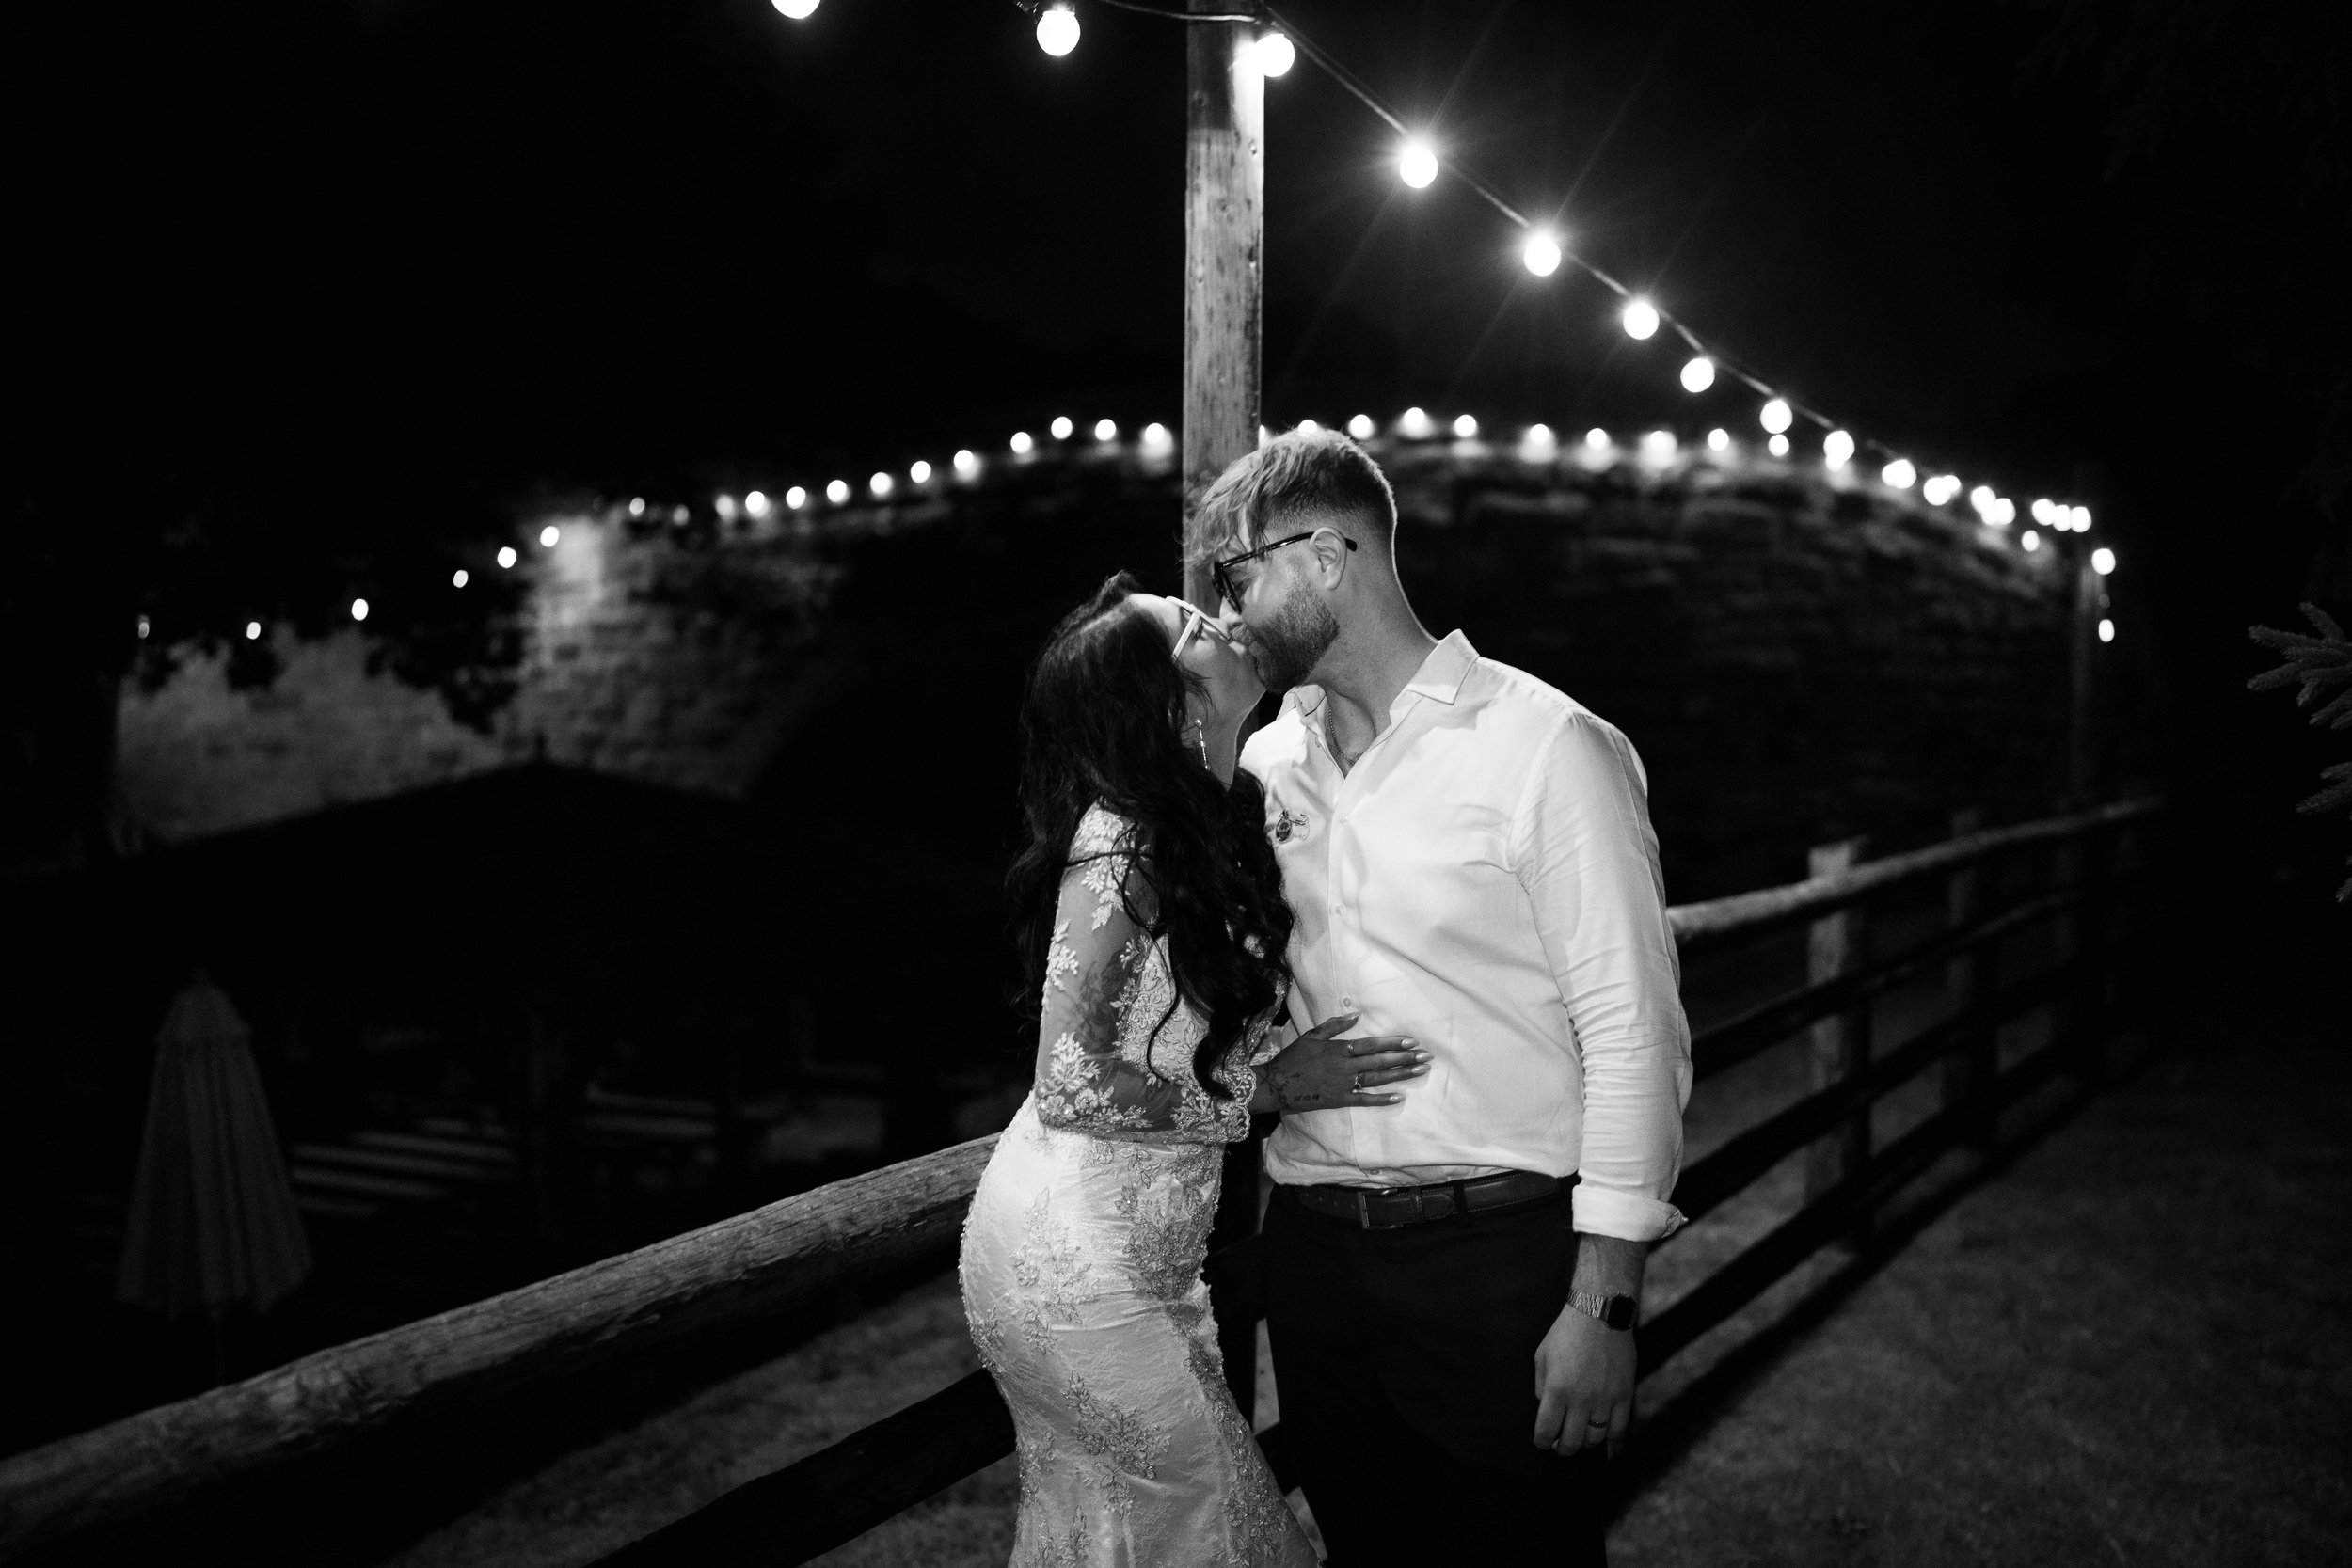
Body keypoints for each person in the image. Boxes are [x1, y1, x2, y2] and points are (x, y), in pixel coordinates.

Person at [1200, 430, 1693, 1567]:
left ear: (1327, 554)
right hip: (1316, 1259)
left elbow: (1633, 1025)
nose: (1228, 611)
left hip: (1499, 1263)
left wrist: (1604, 1302)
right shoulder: (1267, 764)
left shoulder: (1544, 744)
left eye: (1239, 574)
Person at [960, 571, 1431, 1567]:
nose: (1221, 618)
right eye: (1190, 627)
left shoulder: (1210, 819)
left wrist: (1273, 1054)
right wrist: (1264, 1089)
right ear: (1167, 698)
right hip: (1072, 1254)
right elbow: (1071, 1080)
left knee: (1119, 1535)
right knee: (1213, 1525)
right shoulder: (1120, 840)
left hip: (1151, 1252)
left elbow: (1174, 1025)